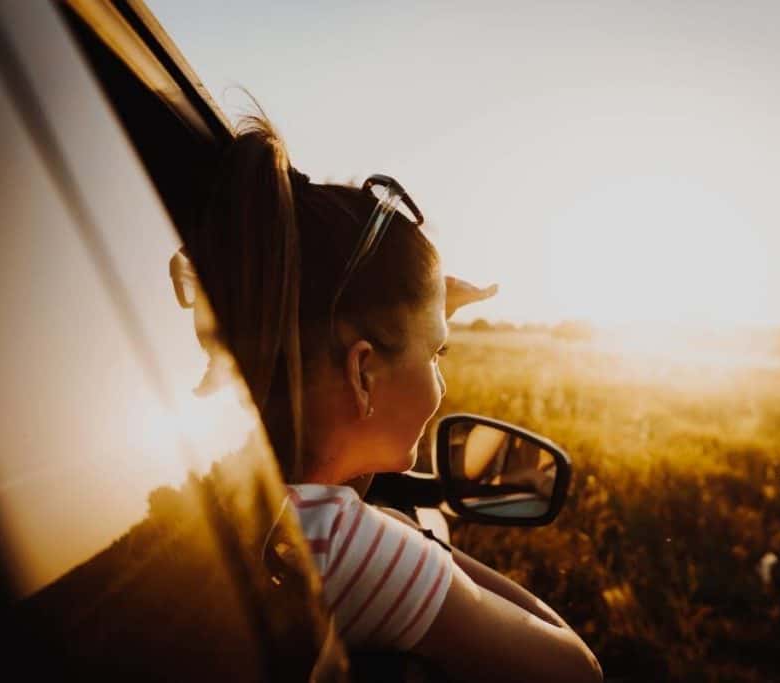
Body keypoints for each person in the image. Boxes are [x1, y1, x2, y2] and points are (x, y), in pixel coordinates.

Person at [180, 107, 602, 683]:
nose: (440, 382)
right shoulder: (328, 543)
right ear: (362, 374)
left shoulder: (224, 494)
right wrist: (414, 538)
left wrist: (415, 318)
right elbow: (574, 667)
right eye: (437, 355)